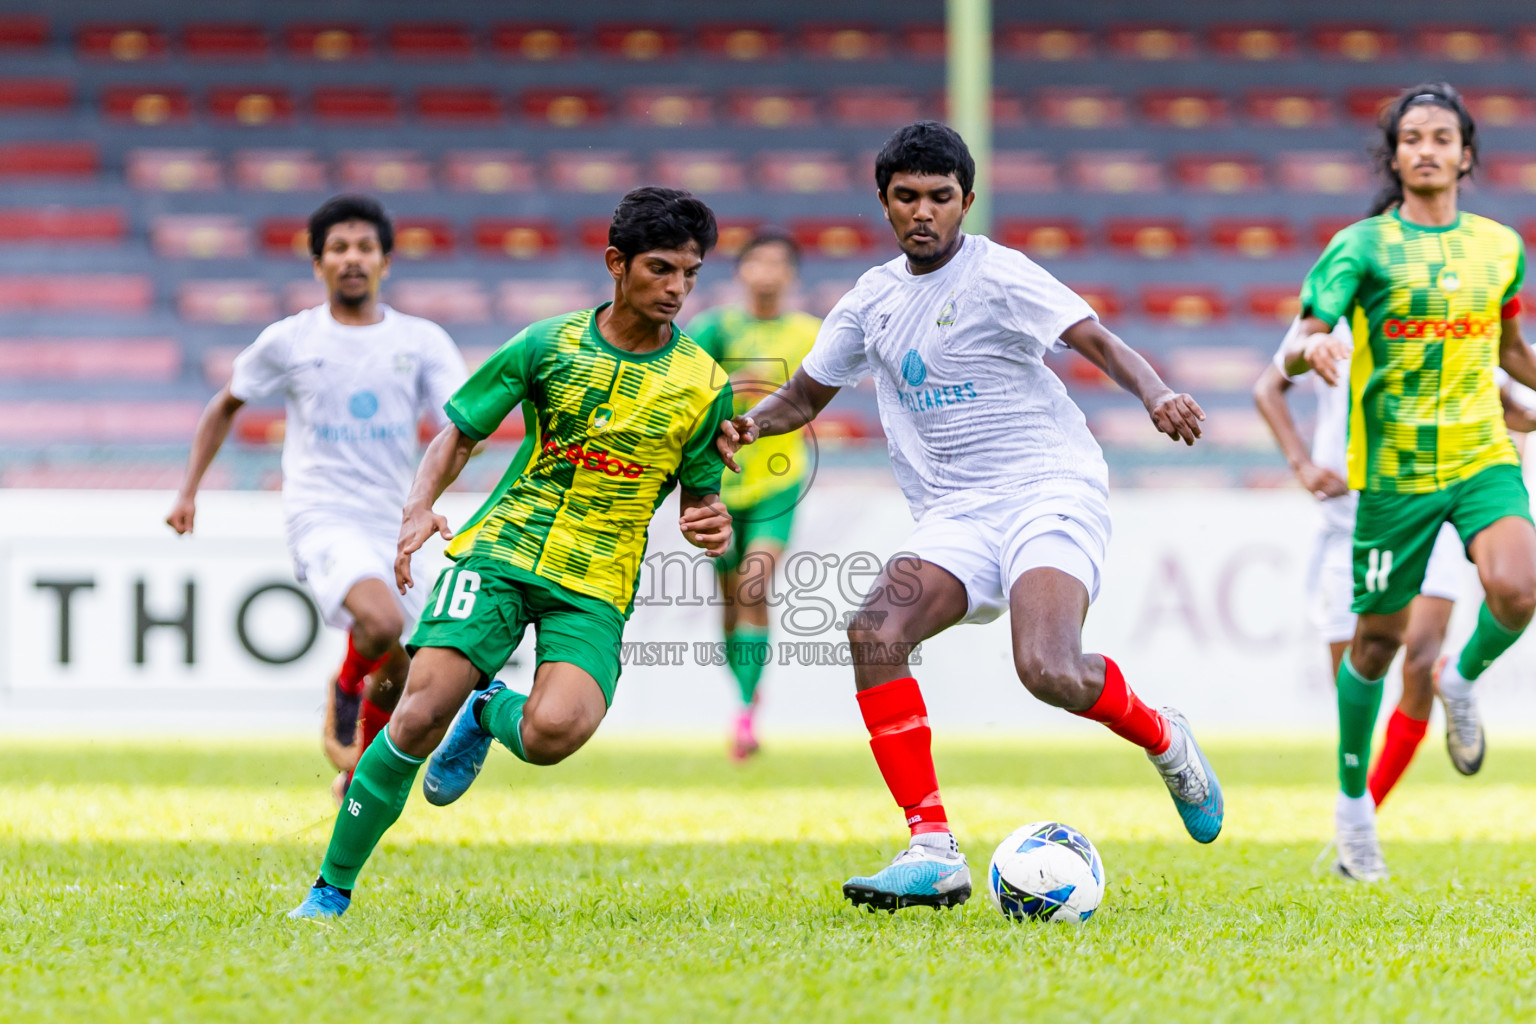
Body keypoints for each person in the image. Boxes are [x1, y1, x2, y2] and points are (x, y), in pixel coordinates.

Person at [717, 121, 1224, 913]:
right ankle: (931, 847)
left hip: (1047, 487)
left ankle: (1165, 736)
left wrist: (1156, 393)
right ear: (884, 203)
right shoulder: (871, 301)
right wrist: (751, 422)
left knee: (1048, 669)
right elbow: (806, 396)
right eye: (908, 197)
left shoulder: (1002, 275)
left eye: (941, 198)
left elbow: (1096, 338)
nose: (925, 212)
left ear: (967, 202)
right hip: (955, 512)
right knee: (874, 631)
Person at [288, 186, 736, 919]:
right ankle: (330, 890)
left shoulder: (703, 386)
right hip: (502, 550)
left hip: (596, 580)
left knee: (555, 732)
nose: (678, 288)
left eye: (691, 273)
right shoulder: (546, 345)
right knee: (416, 715)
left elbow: (700, 499)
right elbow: (459, 431)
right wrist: (419, 506)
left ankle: (489, 709)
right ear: (616, 264)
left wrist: (709, 523)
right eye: (662, 269)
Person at [1290, 83, 1536, 882]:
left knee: (1521, 588)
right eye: (1412, 139)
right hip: (1392, 475)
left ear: (1466, 155)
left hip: (1479, 457)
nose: (1426, 150)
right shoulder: (1359, 246)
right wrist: (1315, 347)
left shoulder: (1501, 247)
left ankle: (1459, 680)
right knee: (1375, 645)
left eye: (1442, 138)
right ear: (1394, 157)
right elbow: (1301, 336)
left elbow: (1510, 348)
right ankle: (1353, 806)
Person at [166, 194, 467, 796]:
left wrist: (434, 495)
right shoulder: (292, 339)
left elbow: (463, 424)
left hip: (395, 518)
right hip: (321, 514)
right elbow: (226, 404)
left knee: (411, 671)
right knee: (379, 621)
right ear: (318, 264)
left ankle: (357, 770)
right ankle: (346, 683)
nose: (352, 258)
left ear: (386, 261)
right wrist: (189, 491)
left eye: (364, 247)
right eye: (338, 248)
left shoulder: (422, 340)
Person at [1256, 317, 1534, 809]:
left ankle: (1366, 817)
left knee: (1421, 659)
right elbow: (1269, 387)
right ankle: (1354, 803)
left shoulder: (1455, 312)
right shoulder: (1335, 311)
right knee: (1365, 661)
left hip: (1428, 511)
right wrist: (1302, 463)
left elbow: (1507, 408)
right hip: (1347, 522)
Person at [688, 229, 821, 759]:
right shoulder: (717, 328)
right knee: (730, 599)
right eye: (756, 262)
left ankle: (745, 714)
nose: (766, 272)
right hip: (722, 481)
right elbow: (684, 382)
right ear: (741, 271)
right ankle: (744, 688)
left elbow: (824, 388)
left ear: (791, 274)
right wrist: (727, 386)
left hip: (779, 483)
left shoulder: (810, 333)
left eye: (777, 263)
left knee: (754, 584)